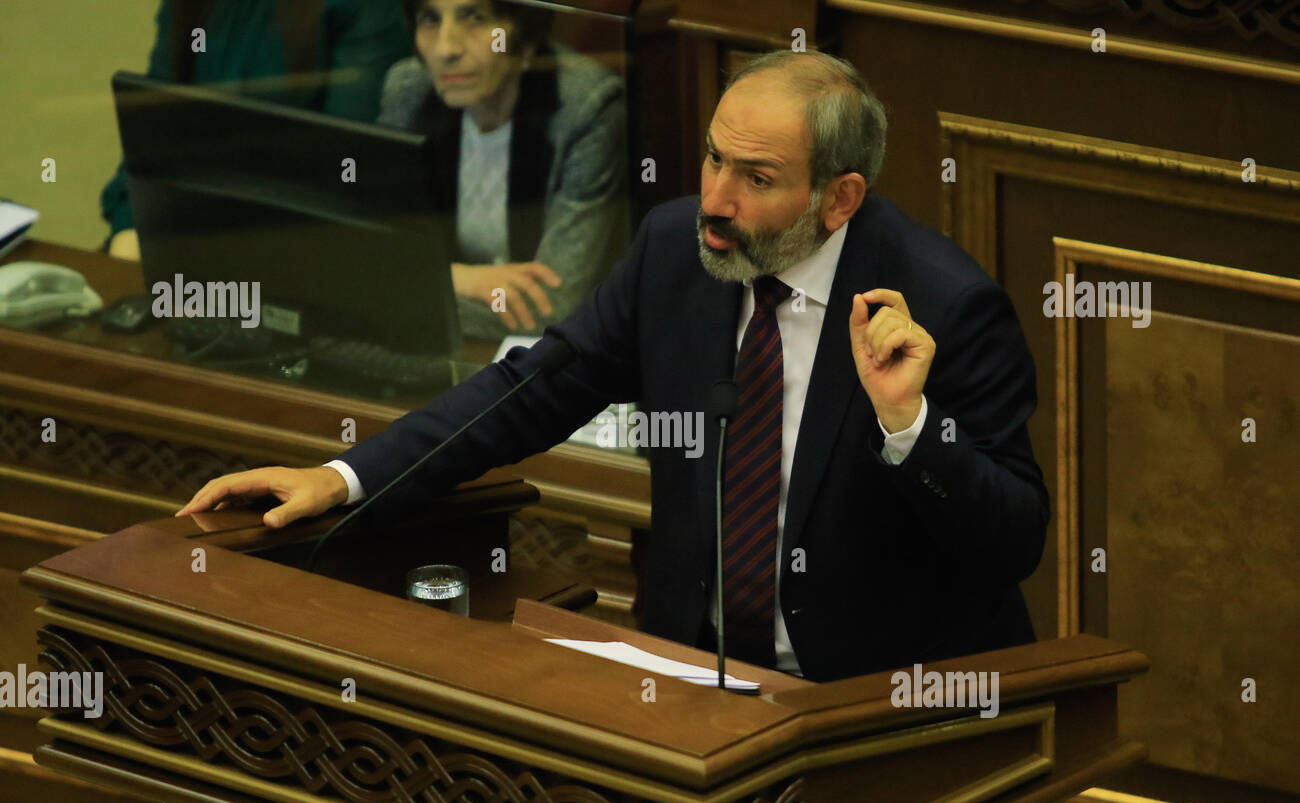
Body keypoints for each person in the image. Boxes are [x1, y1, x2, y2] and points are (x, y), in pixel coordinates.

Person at [177, 50, 1051, 684]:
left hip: (870, 699)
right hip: (684, 669)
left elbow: (1013, 541)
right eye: (714, 157)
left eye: (755, 177)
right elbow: (531, 390)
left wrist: (909, 427)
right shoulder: (677, 250)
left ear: (840, 198)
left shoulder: (945, 307)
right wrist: (345, 476)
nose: (715, 199)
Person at [384, 0, 628, 339]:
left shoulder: (587, 108)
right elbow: (374, 261)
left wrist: (412, 287)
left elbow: (553, 306)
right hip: (440, 345)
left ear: (525, 37)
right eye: (429, 19)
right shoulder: (408, 89)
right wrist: (461, 278)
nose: (446, 48)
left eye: (474, 18)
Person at [101, 0, 410, 260]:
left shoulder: (364, 8)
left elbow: (343, 169)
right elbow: (152, 132)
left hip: (291, 252)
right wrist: (131, 228)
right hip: (182, 234)